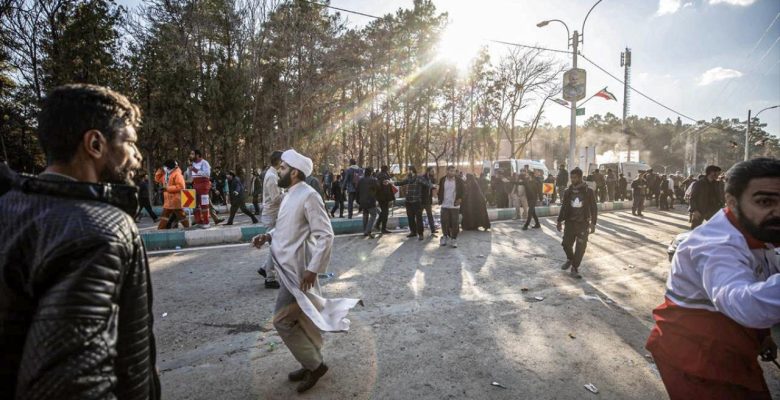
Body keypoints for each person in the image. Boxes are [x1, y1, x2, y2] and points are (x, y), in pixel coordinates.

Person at [0, 84, 160, 399]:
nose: (137, 157)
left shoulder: (10, 208)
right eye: (129, 142)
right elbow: (73, 384)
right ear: (95, 143)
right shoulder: (102, 230)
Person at [646, 158, 779, 400]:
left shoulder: (758, 230)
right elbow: (741, 301)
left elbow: (757, 278)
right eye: (764, 201)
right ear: (732, 201)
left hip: (733, 346)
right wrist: (696, 211)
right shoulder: (715, 246)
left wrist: (762, 334)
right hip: (698, 359)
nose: (777, 211)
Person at [251, 149, 361, 393]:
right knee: (303, 319)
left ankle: (315, 364)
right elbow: (286, 230)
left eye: (281, 168)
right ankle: (309, 361)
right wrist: (267, 236)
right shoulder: (290, 195)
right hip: (287, 269)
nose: (277, 171)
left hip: (299, 274)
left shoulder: (309, 196)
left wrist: (313, 270)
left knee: (281, 321)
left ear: (294, 172)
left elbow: (326, 234)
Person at [557, 168, 597, 279]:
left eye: (574, 177)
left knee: (580, 248)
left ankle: (574, 267)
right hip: (570, 223)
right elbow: (564, 207)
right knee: (565, 244)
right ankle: (570, 259)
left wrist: (593, 223)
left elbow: (594, 208)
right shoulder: (568, 191)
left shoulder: (588, 191)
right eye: (571, 177)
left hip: (582, 224)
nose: (572, 179)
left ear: (580, 177)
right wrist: (559, 220)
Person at [258, 150, 284, 289]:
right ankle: (269, 277)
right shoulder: (272, 177)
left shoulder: (273, 174)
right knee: (276, 247)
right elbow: (276, 199)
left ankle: (264, 268)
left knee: (276, 245)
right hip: (272, 214)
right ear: (279, 161)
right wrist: (290, 195)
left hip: (272, 214)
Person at [395, 166, 431, 240]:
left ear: (412, 170)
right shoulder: (409, 179)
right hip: (408, 201)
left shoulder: (419, 178)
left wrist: (433, 185)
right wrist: (391, 182)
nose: (407, 172)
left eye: (408, 170)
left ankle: (420, 234)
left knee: (419, 218)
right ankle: (413, 232)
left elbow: (427, 183)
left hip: (416, 201)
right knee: (410, 217)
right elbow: (401, 183)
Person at [155, 159, 191, 229]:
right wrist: (160, 170)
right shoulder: (166, 174)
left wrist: (167, 189)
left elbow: (181, 186)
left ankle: (188, 228)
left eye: (165, 167)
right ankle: (160, 229)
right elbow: (157, 179)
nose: (164, 168)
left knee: (181, 215)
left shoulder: (177, 174)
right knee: (165, 216)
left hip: (175, 200)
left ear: (169, 167)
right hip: (168, 200)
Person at [438, 165, 464, 248]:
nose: (453, 172)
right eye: (451, 171)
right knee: (444, 222)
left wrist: (460, 199)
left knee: (455, 223)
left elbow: (464, 191)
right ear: (447, 171)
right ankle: (445, 237)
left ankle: (454, 239)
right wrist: (439, 198)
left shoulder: (459, 180)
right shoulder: (442, 180)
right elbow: (440, 190)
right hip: (444, 204)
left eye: (454, 171)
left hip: (454, 205)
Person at [188, 149, 212, 227]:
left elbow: (207, 174)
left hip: (204, 185)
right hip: (195, 185)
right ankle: (199, 221)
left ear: (197, 155)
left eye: (192, 154)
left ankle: (206, 222)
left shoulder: (204, 162)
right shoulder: (192, 164)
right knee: (195, 204)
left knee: (204, 204)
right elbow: (190, 176)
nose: (190, 155)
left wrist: (194, 169)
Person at [356, 167, 379, 238]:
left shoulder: (360, 180)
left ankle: (365, 231)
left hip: (362, 201)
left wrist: (358, 201)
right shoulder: (373, 180)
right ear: (371, 172)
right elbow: (378, 188)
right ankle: (368, 230)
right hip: (370, 201)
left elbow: (357, 191)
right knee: (373, 215)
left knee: (365, 216)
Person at [375, 165, 395, 234]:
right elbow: (386, 188)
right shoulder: (385, 176)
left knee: (383, 212)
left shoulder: (378, 175)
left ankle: (377, 225)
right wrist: (390, 198)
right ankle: (383, 228)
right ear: (386, 169)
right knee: (385, 213)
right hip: (384, 197)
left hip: (380, 197)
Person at [421, 166, 438, 236]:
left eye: (433, 171)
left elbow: (434, 187)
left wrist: (435, 196)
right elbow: (426, 185)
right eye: (432, 170)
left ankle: (433, 230)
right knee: (419, 216)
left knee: (430, 215)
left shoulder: (433, 178)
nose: (433, 172)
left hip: (428, 200)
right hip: (421, 199)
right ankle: (419, 230)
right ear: (428, 171)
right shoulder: (422, 178)